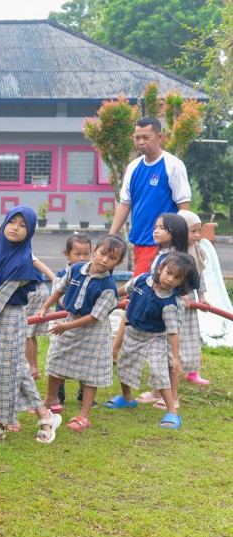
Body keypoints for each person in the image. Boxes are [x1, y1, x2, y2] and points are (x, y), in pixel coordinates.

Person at [0, 206, 62, 445]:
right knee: (18, 369)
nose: (16, 228)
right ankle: (44, 415)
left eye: (23, 225)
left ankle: (0, 423)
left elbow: (1, 296)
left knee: (4, 371)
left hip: (10, 318)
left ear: (29, 232)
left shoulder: (23, 261)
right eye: (13, 222)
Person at [39, 235, 126, 433]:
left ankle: (84, 415)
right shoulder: (76, 269)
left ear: (118, 262)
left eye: (112, 258)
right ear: (95, 250)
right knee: (55, 358)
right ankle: (52, 399)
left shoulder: (109, 288)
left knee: (89, 373)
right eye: (102, 254)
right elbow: (60, 288)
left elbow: (94, 317)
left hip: (92, 331)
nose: (104, 260)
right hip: (70, 320)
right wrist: (45, 307)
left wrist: (65, 327)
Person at [105, 253, 199, 430]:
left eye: (177, 277)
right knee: (125, 366)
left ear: (182, 282)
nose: (170, 279)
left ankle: (172, 411)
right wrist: (110, 295)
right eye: (168, 273)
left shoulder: (170, 302)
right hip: (132, 331)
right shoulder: (142, 280)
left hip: (154, 338)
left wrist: (176, 359)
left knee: (159, 371)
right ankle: (127, 398)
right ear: (159, 269)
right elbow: (126, 288)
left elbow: (172, 332)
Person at [110, 117, 192, 275]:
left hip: (161, 243)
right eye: (137, 137)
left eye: (146, 137)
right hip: (138, 240)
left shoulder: (172, 165)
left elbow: (183, 207)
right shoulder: (134, 166)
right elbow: (125, 203)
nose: (140, 142)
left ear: (160, 137)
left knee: (139, 290)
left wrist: (183, 243)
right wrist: (111, 235)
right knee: (147, 291)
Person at [50, 234, 94, 408]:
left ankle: (84, 391)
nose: (82, 258)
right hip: (63, 321)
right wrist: (74, 307)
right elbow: (61, 298)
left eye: (86, 254)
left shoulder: (93, 274)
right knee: (59, 356)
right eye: (78, 254)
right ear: (67, 254)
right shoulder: (62, 274)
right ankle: (58, 391)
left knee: (85, 357)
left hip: (83, 322)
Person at [177, 210, 211, 386]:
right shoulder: (175, 251)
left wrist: (202, 296)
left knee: (192, 336)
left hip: (190, 301)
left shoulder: (196, 250)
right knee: (175, 336)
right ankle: (173, 368)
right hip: (175, 300)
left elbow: (199, 276)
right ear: (181, 230)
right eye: (193, 231)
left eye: (199, 231)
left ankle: (193, 372)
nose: (197, 235)